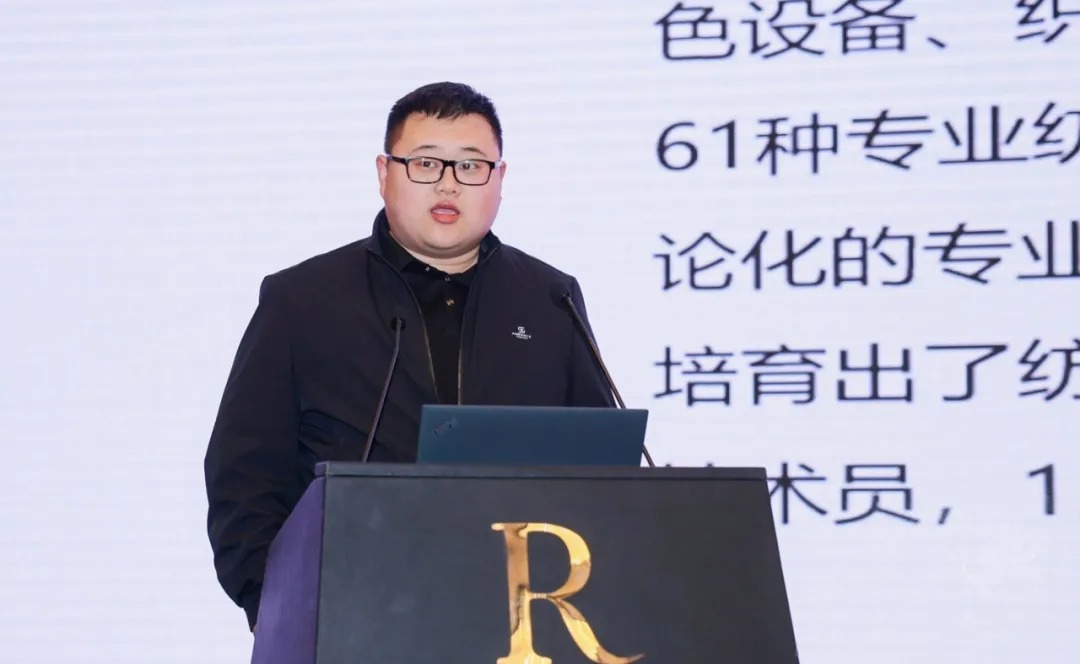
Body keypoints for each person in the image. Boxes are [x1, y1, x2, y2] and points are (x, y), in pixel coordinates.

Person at [202, 81, 616, 632]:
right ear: (384, 173)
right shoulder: (302, 300)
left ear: (500, 179)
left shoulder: (550, 298)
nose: (448, 184)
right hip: (351, 620)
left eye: (471, 166)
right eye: (425, 163)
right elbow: (243, 477)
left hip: (527, 626)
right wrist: (279, 606)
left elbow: (604, 473)